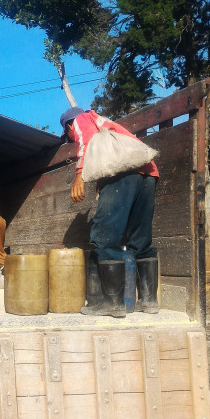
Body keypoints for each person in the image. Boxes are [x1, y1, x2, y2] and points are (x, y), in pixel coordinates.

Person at [61, 106, 160, 317]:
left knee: (105, 235)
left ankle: (113, 304)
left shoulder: (80, 118)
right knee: (140, 239)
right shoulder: (109, 124)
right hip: (149, 173)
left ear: (69, 126)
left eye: (69, 136)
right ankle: (149, 301)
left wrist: (79, 174)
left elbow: (86, 139)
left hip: (122, 172)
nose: (72, 139)